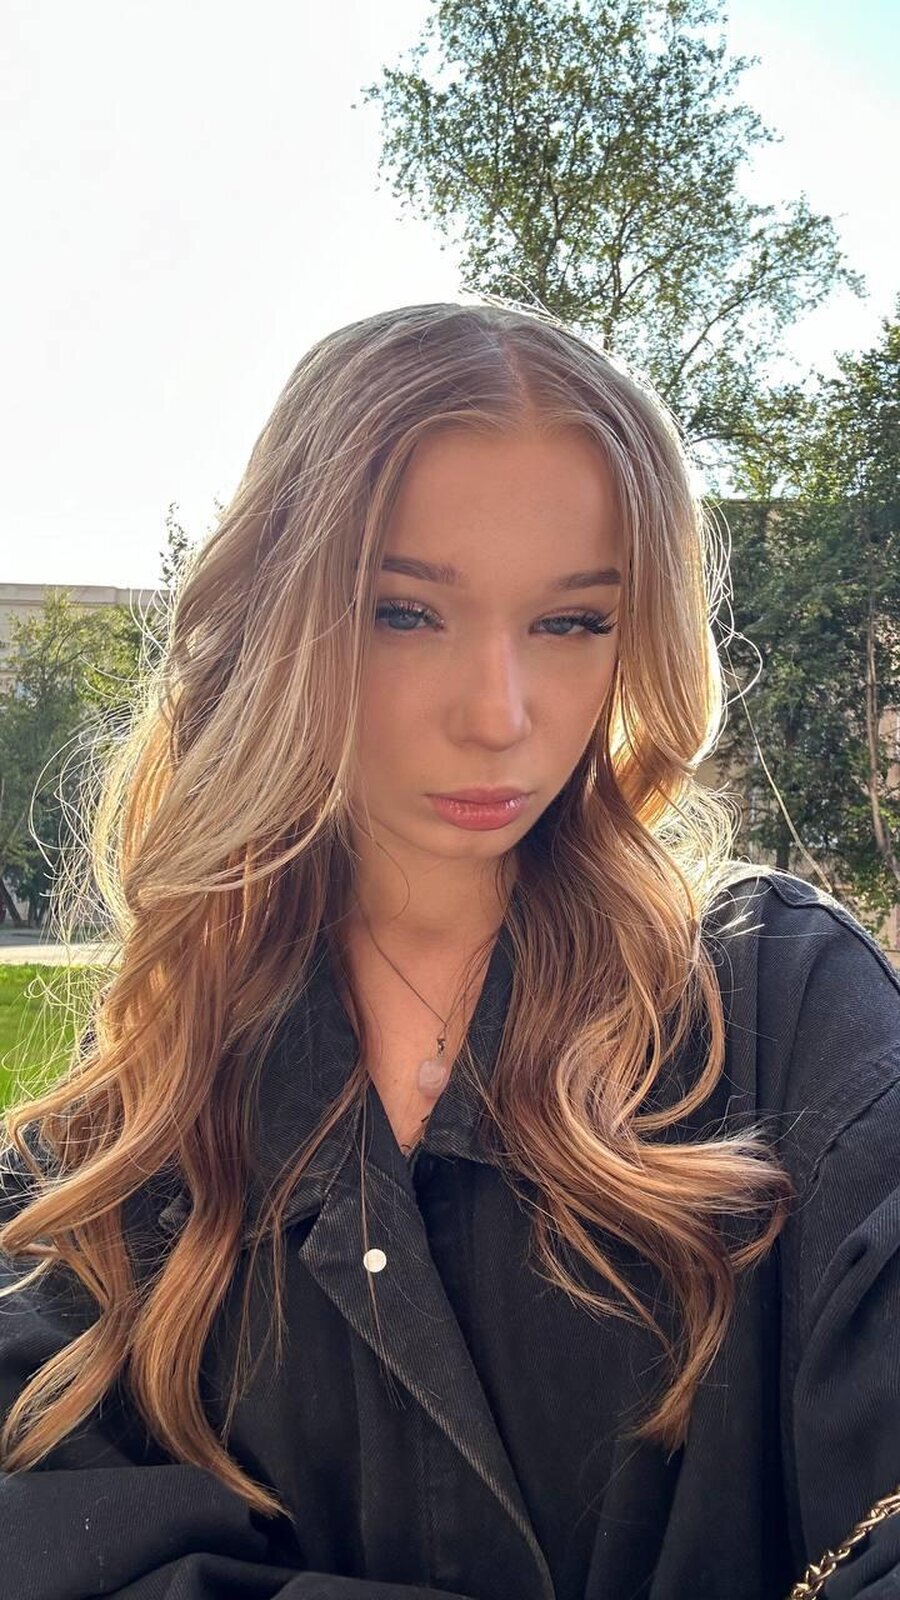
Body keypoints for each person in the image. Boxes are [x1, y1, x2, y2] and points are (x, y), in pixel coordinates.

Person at [0, 299, 898, 1600]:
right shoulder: (143, 1109)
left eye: (572, 622)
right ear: (280, 619)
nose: (498, 714)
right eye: (405, 613)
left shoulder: (780, 1004)